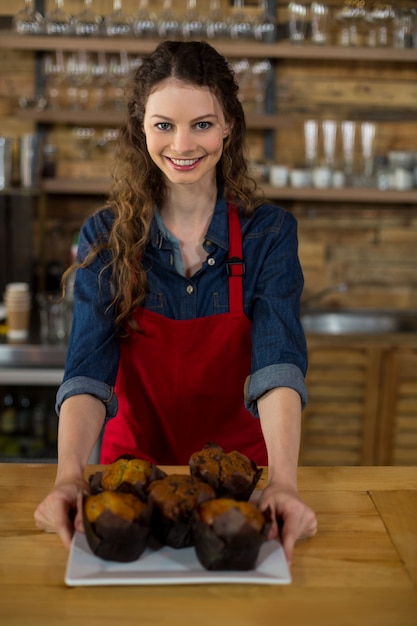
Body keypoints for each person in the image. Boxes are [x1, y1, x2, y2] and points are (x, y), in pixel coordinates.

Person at [34, 40, 317, 566]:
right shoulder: (106, 236)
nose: (182, 144)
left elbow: (278, 361)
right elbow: (88, 372)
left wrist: (283, 482)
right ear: (141, 128)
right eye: (164, 125)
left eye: (202, 125)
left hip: (238, 487)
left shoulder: (268, 234)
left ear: (229, 125)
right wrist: (70, 477)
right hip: (131, 485)